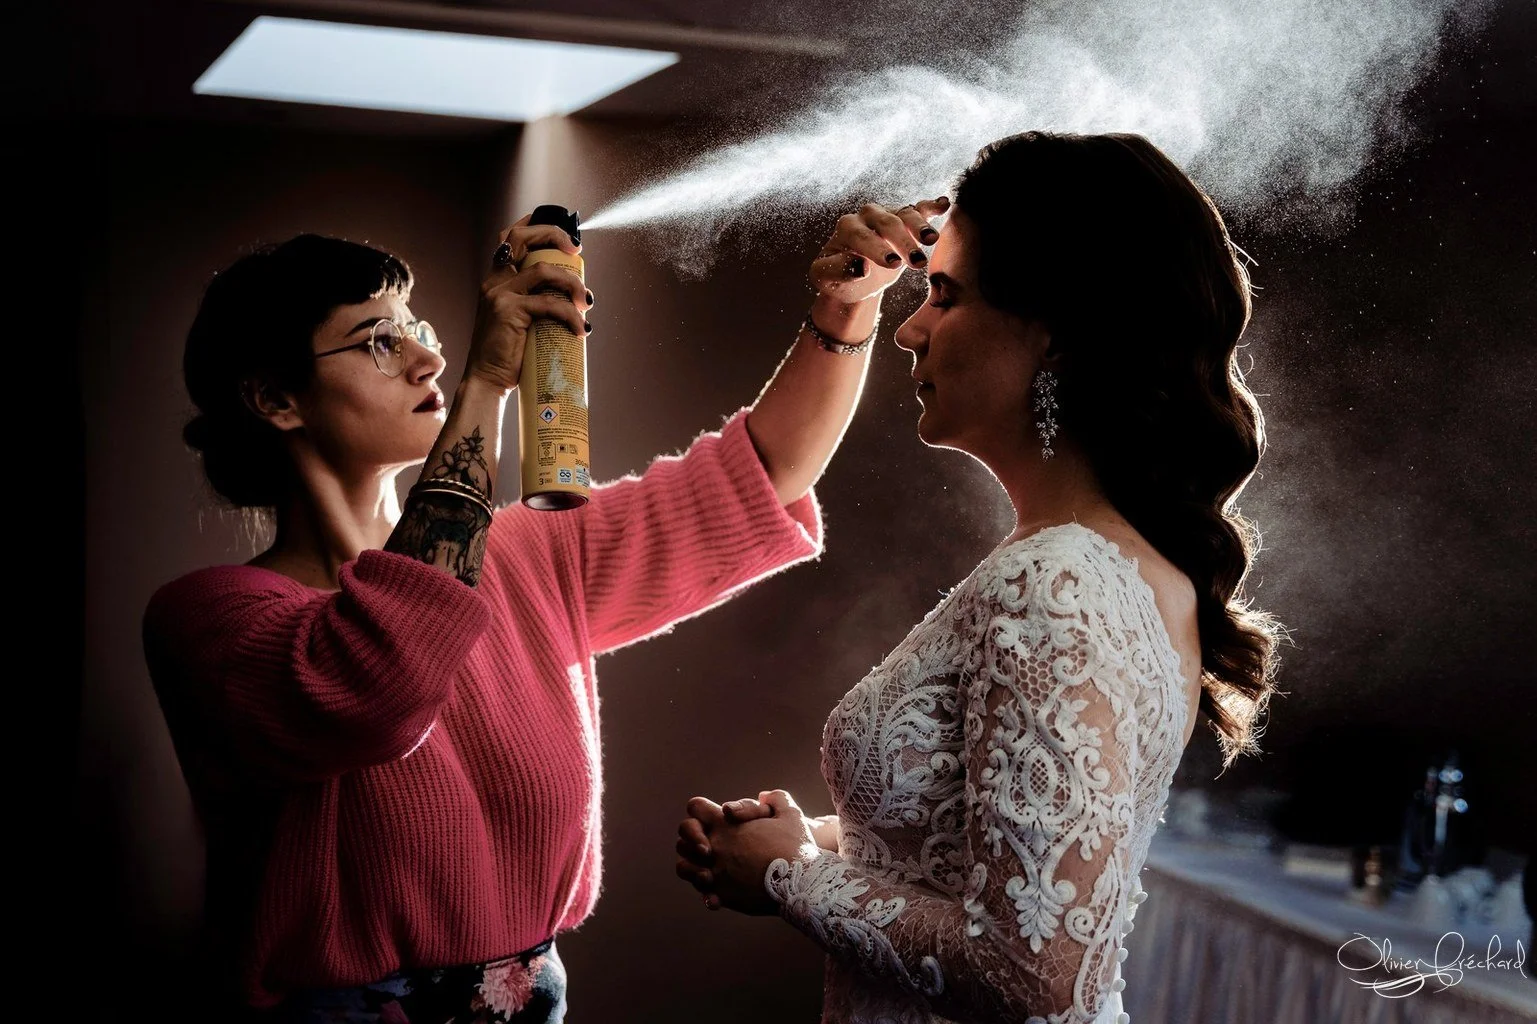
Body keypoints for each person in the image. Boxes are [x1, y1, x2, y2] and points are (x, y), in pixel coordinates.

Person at [141, 202, 943, 1022]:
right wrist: (485, 385)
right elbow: (380, 679)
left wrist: (848, 307)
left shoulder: (527, 553)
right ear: (276, 398)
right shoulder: (210, 622)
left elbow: (762, 473)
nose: (425, 356)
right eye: (379, 339)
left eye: (416, 325)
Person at [674, 131, 1286, 1024]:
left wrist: (787, 876)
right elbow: (993, 853)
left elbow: (1034, 977)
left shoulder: (1055, 584)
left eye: (944, 297)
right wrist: (821, 840)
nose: (911, 330)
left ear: (1052, 337)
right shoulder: (1110, 562)